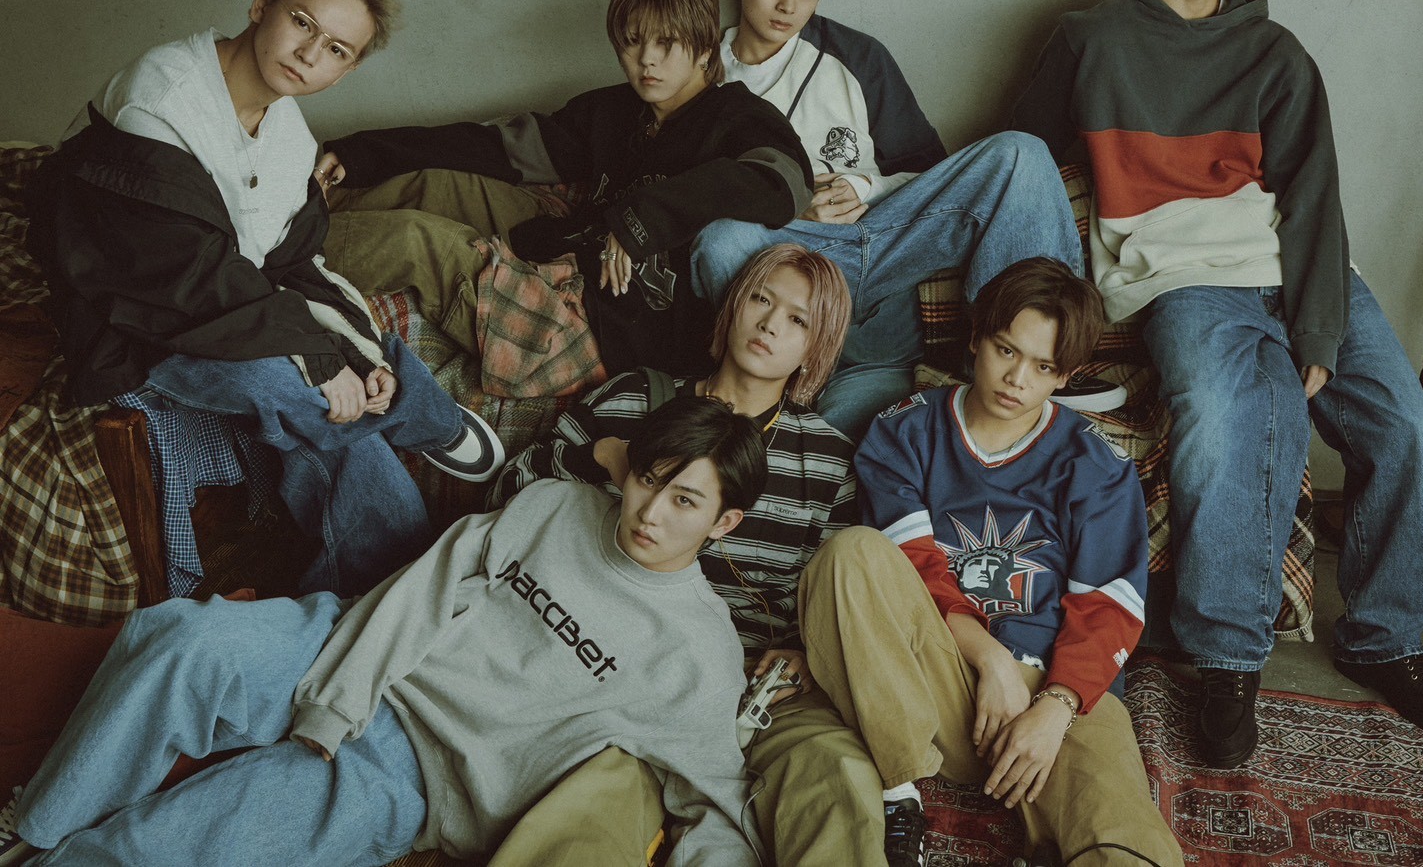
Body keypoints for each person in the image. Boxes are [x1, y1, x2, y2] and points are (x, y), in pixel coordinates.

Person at [1009, 0, 1423, 770]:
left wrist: (1317, 326)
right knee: (1224, 426)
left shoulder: (1275, 53)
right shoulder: (1091, 39)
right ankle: (1227, 661)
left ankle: (1383, 637)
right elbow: (1016, 161)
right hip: (1180, 280)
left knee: (1408, 428)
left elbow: (1313, 198)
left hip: (1292, 268)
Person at [5, 397, 768, 867]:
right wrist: (337, 701)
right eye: (648, 479)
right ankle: (33, 824)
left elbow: (716, 803)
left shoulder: (699, 654)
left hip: (419, 770)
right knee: (179, 639)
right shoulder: (557, 506)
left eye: (684, 500)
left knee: (186, 841)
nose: (650, 511)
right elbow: (422, 589)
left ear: (724, 520)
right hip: (352, 643)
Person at [25, 0, 503, 599]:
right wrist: (319, 360)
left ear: (345, 71)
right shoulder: (160, 97)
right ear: (261, 4)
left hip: (227, 308)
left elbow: (297, 264)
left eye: (336, 49)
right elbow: (190, 280)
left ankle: (368, 605)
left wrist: (363, 356)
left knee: (345, 423)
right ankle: (423, 419)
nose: (309, 54)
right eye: (302, 22)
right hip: (139, 324)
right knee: (294, 385)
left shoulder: (289, 137)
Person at [487, 244, 888, 867]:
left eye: (798, 320)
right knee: (586, 811)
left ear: (817, 347)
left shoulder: (826, 459)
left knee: (839, 779)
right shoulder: (634, 399)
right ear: (732, 307)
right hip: (627, 675)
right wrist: (604, 458)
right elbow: (507, 494)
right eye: (760, 300)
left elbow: (835, 595)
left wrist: (808, 653)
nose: (770, 324)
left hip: (763, 687)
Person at [800, 258, 1182, 867]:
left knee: (1128, 847)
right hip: (934, 678)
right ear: (977, 337)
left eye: (1043, 367)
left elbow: (1108, 606)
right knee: (848, 554)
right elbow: (910, 568)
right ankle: (897, 791)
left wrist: (1055, 708)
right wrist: (990, 659)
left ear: (1066, 375)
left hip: (1056, 694)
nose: (1016, 379)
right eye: (1006, 350)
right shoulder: (906, 430)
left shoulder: (1096, 464)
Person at [689, 0, 1120, 438]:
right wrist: (784, 204)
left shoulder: (855, 57)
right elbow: (691, 195)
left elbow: (930, 174)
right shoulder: (699, 73)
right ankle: (769, 390)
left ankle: (1038, 360)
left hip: (881, 250)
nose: (787, 6)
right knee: (720, 241)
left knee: (1020, 154)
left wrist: (864, 185)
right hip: (790, 255)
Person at [315, 0, 812, 378]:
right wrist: (364, 153)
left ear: (704, 48)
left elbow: (785, 184)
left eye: (667, 43)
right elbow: (494, 146)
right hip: (569, 242)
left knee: (417, 241)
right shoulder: (619, 111)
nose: (647, 60)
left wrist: (642, 220)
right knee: (433, 184)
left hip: (612, 325)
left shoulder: (737, 116)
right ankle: (298, 209)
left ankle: (281, 254)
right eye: (632, 41)